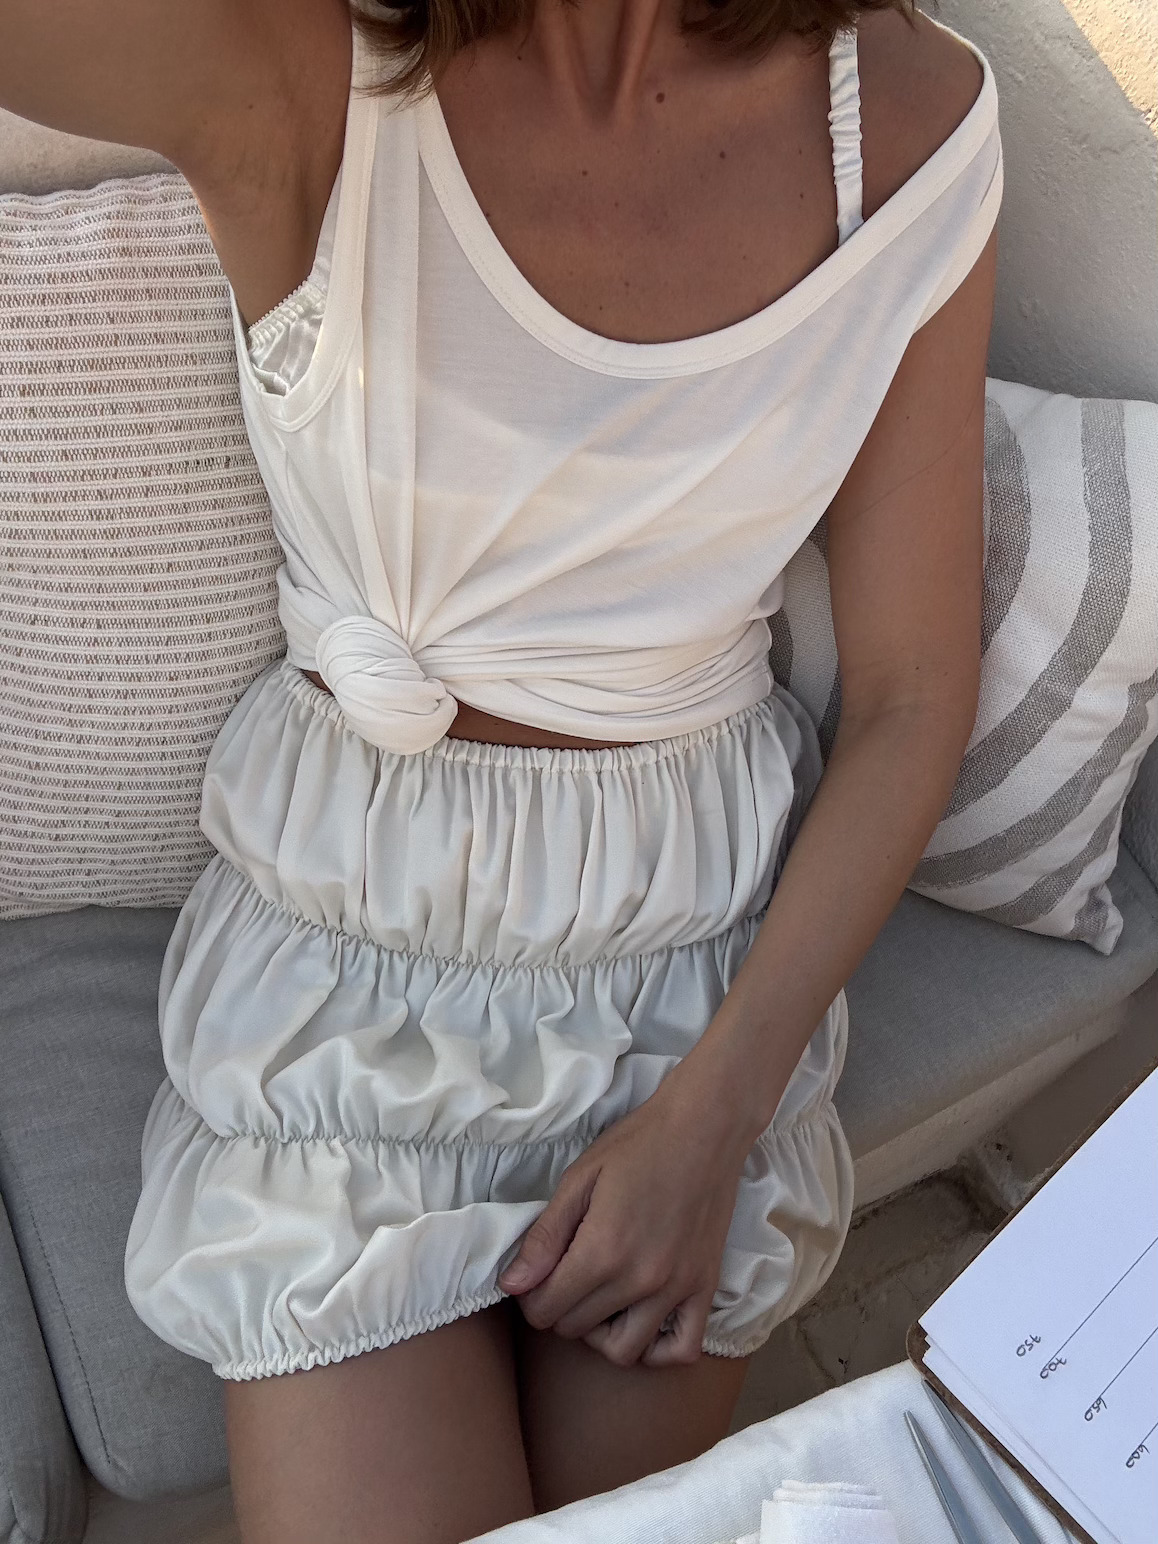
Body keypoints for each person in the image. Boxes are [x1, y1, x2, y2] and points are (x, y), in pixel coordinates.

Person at [1, 0, 1000, 1538]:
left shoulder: (914, 124)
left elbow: (911, 694)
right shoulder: (306, 66)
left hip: (692, 967)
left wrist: (716, 1117)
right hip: (350, 970)